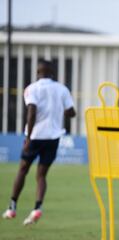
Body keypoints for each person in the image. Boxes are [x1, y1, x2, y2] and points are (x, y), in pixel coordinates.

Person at [2, 59, 76, 225]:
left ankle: (12, 207)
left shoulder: (32, 88)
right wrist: (58, 110)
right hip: (53, 138)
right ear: (52, 73)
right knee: (41, 175)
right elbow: (72, 113)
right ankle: (37, 208)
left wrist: (28, 138)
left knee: (22, 170)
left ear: (38, 72)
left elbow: (32, 112)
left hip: (35, 137)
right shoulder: (62, 89)